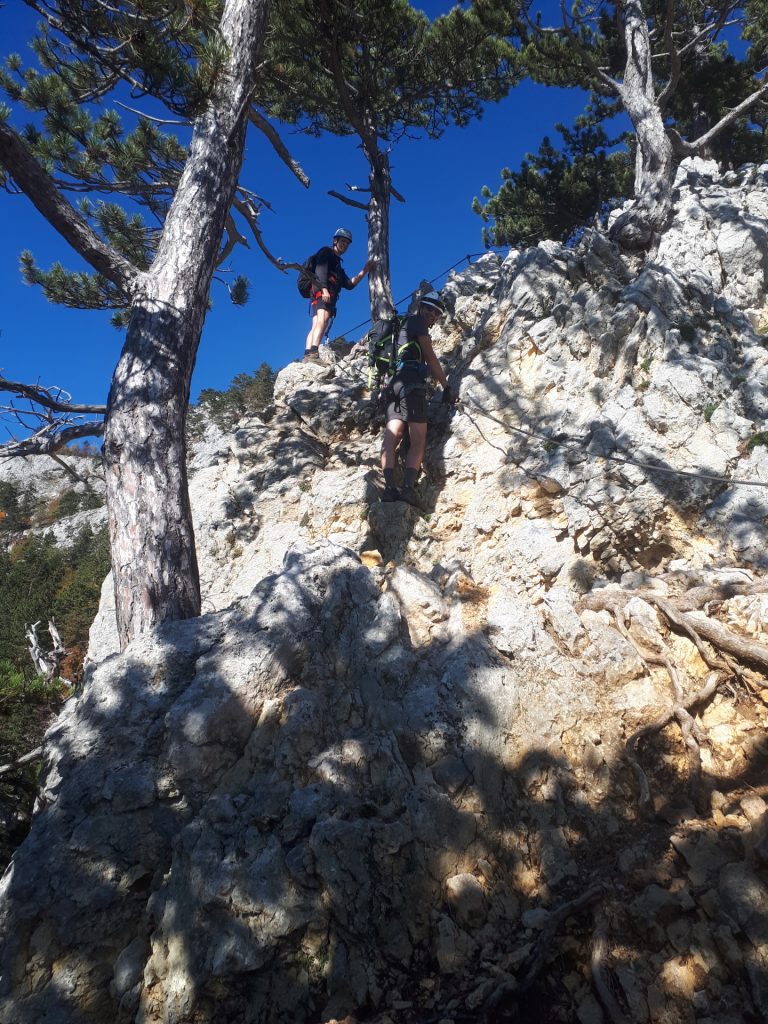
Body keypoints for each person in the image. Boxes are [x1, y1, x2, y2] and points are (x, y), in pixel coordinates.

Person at [380, 291, 457, 506]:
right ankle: (406, 489)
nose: (432, 314)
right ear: (421, 307)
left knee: (392, 434)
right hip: (411, 384)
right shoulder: (417, 322)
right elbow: (430, 356)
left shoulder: (400, 328)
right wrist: (447, 386)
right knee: (418, 438)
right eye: (430, 309)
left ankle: (388, 488)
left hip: (392, 386)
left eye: (437, 312)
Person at [304, 228, 373, 362]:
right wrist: (324, 289)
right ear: (335, 241)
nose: (345, 245)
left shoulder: (337, 267)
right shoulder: (327, 252)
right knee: (322, 320)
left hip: (319, 294)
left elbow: (349, 285)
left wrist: (365, 270)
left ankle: (308, 354)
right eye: (342, 241)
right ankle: (313, 353)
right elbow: (320, 270)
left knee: (316, 323)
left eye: (347, 243)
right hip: (322, 292)